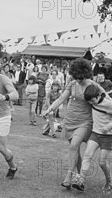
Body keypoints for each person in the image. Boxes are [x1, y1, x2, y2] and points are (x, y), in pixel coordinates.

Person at [43, 58, 104, 189]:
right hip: (70, 120)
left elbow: (106, 100)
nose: (79, 80)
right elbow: (61, 98)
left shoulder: (93, 85)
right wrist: (50, 109)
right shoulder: (72, 83)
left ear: (86, 74)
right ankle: (80, 179)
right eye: (76, 77)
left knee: (74, 146)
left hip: (85, 121)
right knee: (75, 150)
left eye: (81, 78)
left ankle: (69, 176)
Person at [71, 85, 112, 192]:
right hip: (95, 133)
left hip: (108, 136)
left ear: (98, 96)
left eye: (93, 101)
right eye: (89, 102)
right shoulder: (92, 100)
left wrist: (109, 126)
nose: (91, 104)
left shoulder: (110, 104)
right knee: (87, 155)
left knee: (102, 162)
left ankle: (109, 181)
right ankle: (81, 182)